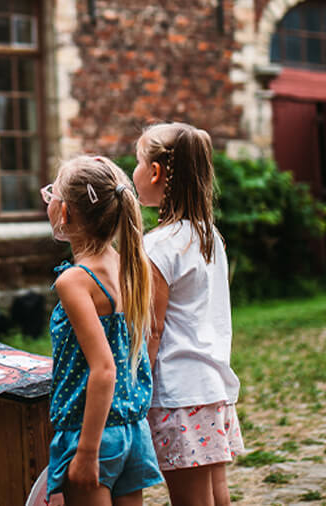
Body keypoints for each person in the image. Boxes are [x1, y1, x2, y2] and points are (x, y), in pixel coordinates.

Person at [132, 123, 244, 506]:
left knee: (190, 499)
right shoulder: (209, 235)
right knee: (216, 493)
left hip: (178, 393)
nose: (134, 171)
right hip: (211, 386)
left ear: (156, 172)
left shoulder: (158, 246)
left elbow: (153, 327)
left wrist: (135, 382)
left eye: (137, 161)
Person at [44, 155, 164, 506]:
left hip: (91, 431)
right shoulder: (130, 264)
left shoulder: (74, 281)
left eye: (52, 195)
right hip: (131, 428)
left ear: (65, 213)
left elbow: (104, 368)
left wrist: (87, 451)